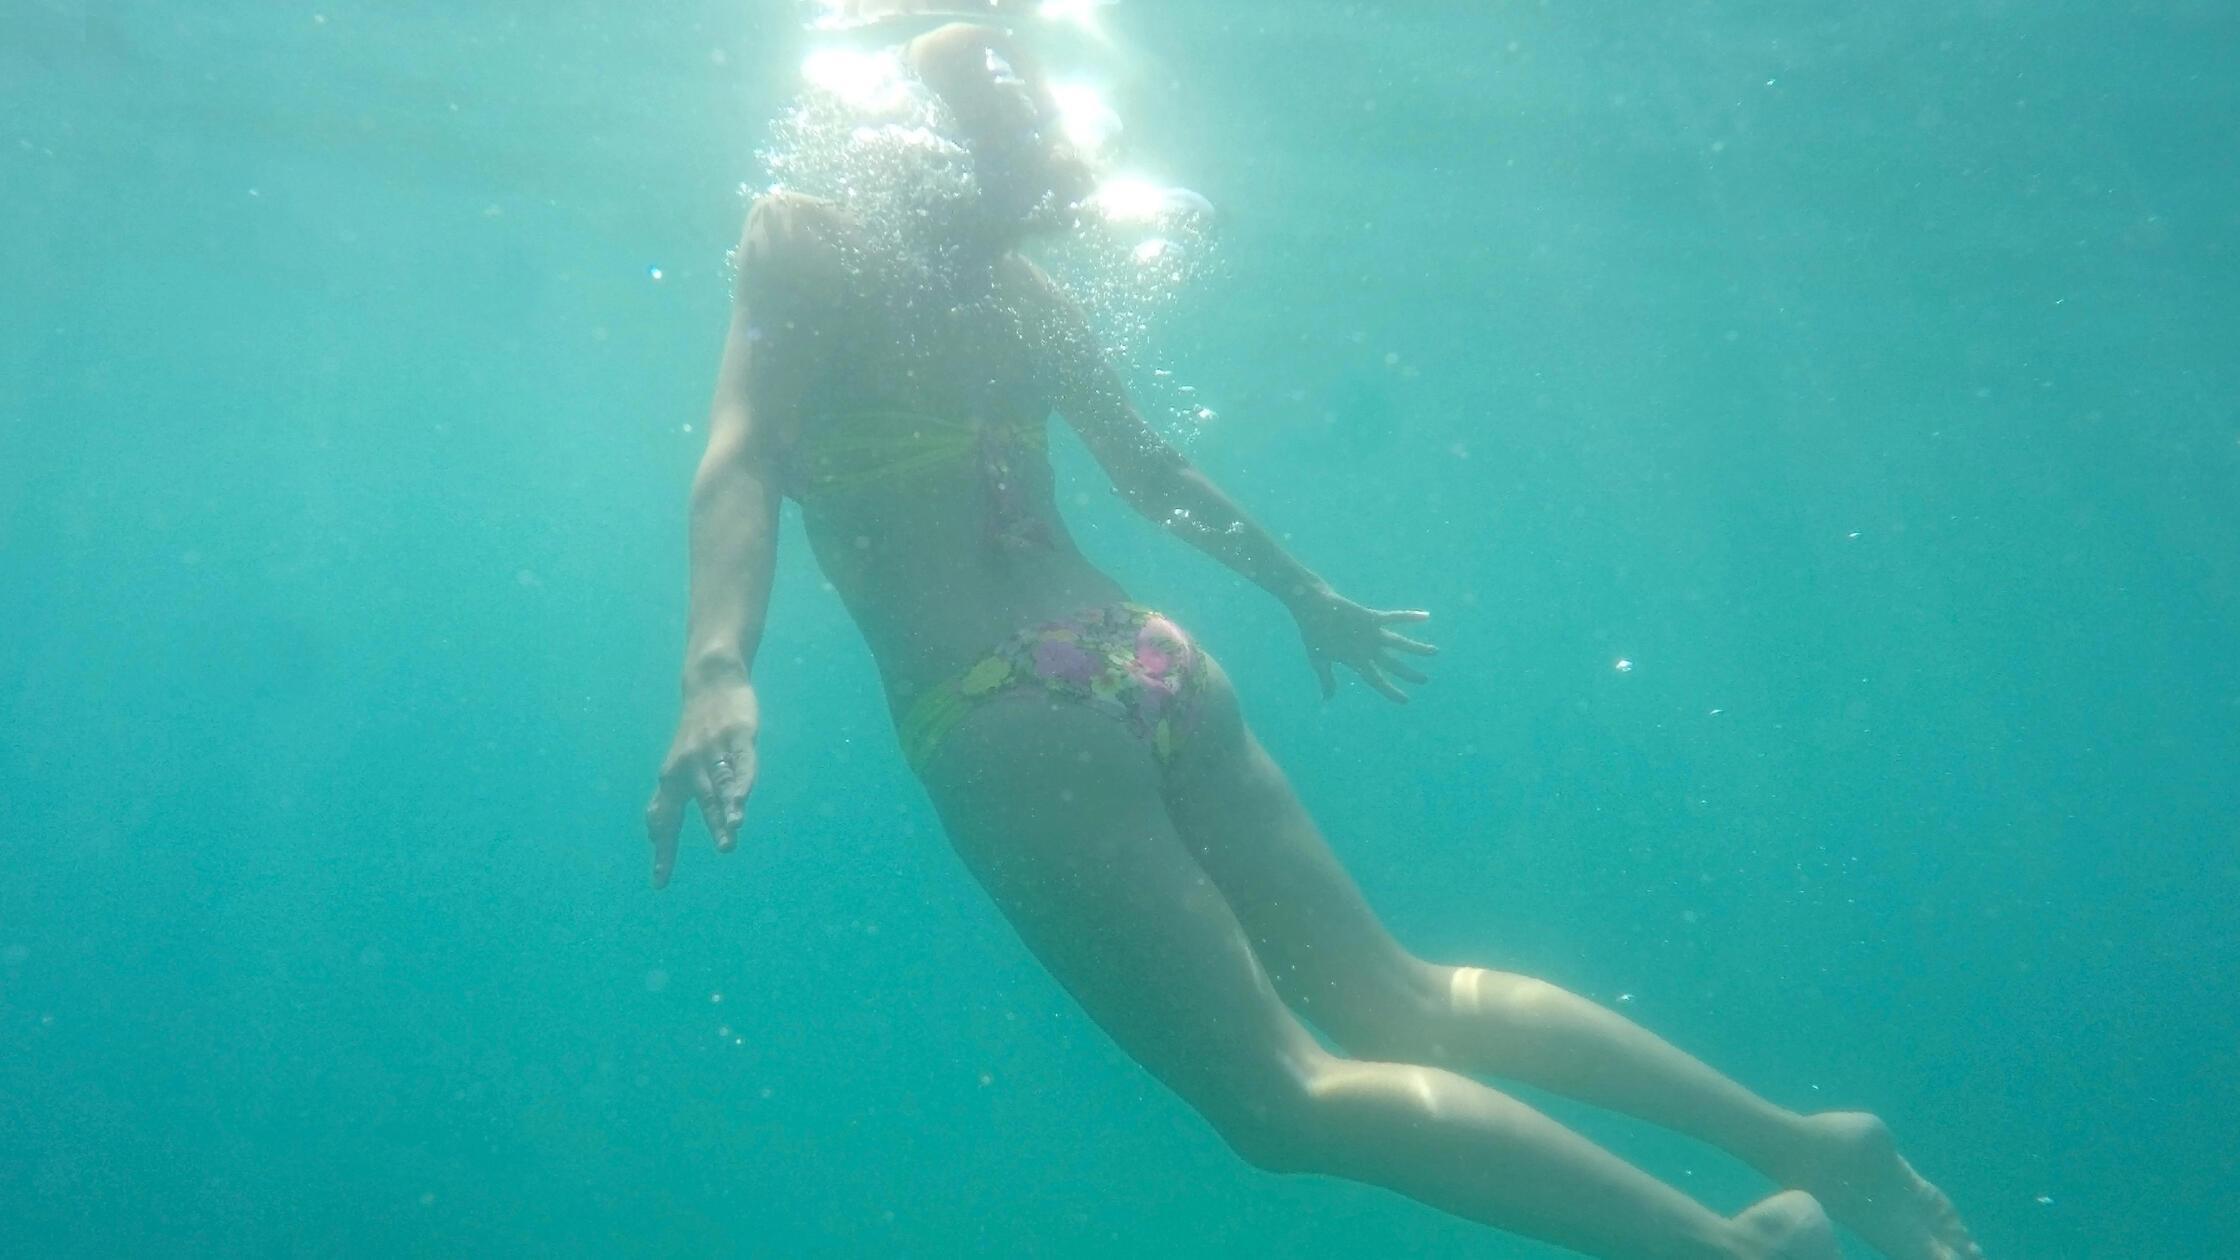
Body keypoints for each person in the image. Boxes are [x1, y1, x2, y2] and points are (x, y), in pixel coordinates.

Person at [645, 22, 1983, 1260]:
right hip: (1146, 653)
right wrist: (1303, 594)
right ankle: (1806, 1142)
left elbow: (741, 460)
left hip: (1002, 710)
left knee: (1280, 1096)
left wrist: (718, 671)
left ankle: (1733, 1250)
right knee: (1400, 997)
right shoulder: (1024, 293)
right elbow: (1153, 475)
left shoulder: (803, 240)